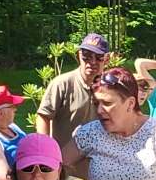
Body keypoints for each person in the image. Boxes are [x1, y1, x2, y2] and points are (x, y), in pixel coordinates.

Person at [37, 32, 108, 171]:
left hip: (100, 168)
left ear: (107, 59)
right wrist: (45, 153)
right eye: (86, 56)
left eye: (98, 57)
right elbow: (43, 116)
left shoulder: (110, 87)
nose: (92, 62)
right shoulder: (62, 83)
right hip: (65, 167)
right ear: (78, 56)